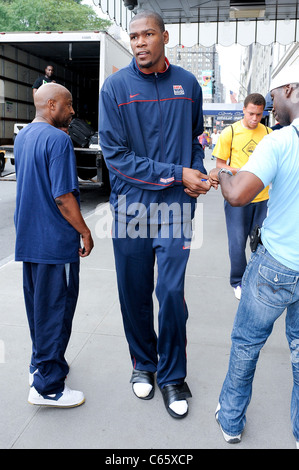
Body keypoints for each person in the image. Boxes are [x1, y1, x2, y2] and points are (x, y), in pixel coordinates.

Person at [99, 10, 210, 419]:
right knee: (134, 292)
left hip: (176, 206)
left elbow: (196, 137)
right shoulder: (115, 88)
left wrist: (194, 172)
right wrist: (176, 173)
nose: (140, 42)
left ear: (165, 36)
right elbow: (116, 158)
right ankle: (142, 365)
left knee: (170, 294)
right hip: (130, 206)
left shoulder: (188, 83)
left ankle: (173, 376)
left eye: (148, 34)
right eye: (134, 36)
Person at [208, 64, 299, 448]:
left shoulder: (279, 141)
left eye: (274, 94)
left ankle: (230, 421)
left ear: (292, 89)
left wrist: (223, 172)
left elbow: (237, 195)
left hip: (276, 266)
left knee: (246, 345)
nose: (270, 105)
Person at [14, 83, 94, 408]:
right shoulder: (58, 140)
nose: (73, 111)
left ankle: (41, 365)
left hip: (29, 239)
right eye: (68, 105)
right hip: (53, 242)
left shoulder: (23, 137)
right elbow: (63, 197)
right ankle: (48, 387)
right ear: (51, 105)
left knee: (39, 309)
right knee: (55, 312)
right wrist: (85, 231)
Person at [212, 94, 272, 299]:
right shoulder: (230, 132)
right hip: (238, 197)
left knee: (262, 243)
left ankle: (257, 279)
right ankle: (238, 282)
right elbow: (219, 165)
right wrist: (244, 171)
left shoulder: (269, 133)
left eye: (259, 114)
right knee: (237, 243)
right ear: (243, 110)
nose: (255, 118)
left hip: (263, 198)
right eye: (251, 114)